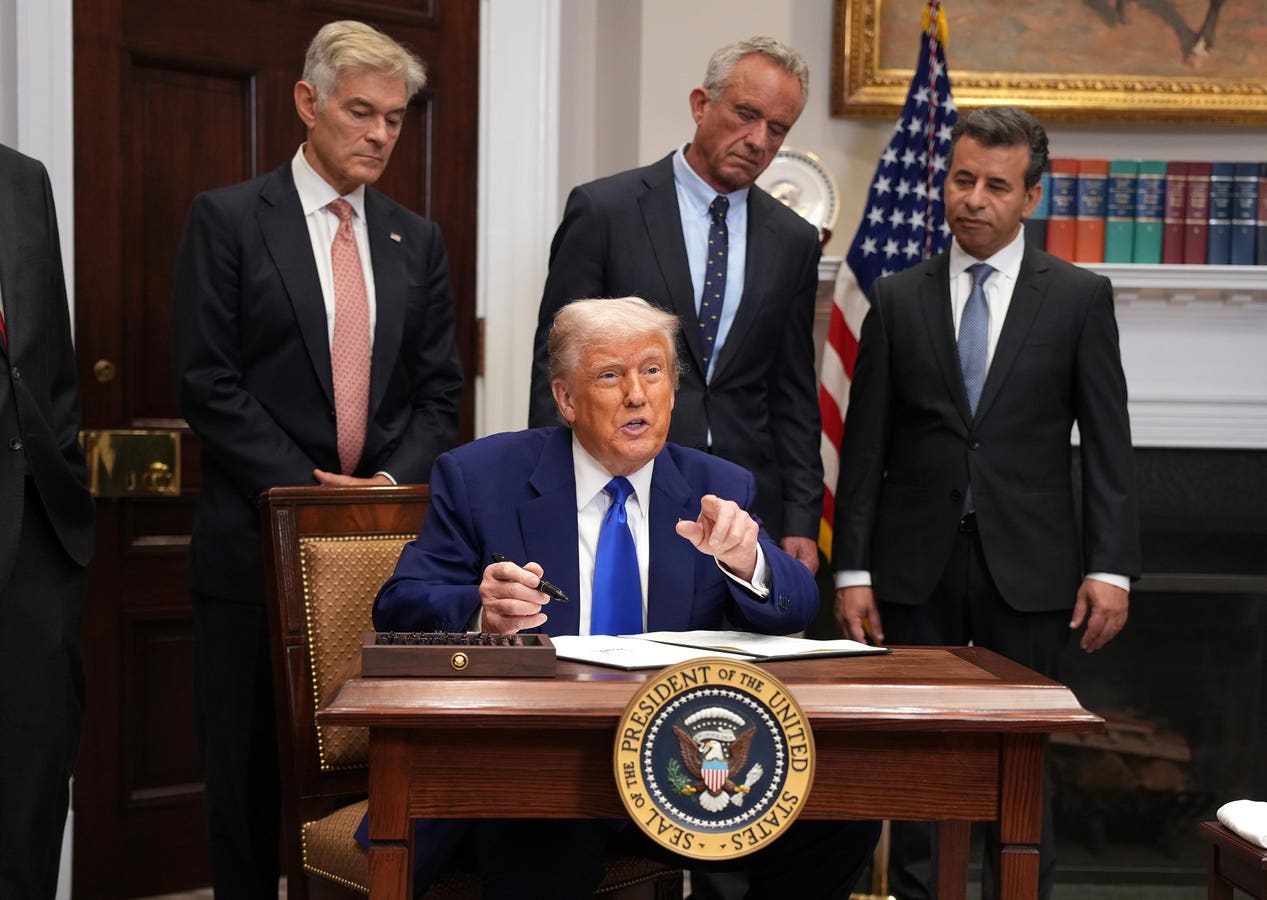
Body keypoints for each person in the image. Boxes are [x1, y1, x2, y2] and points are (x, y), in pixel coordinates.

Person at [374, 296, 879, 898]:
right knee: (542, 837)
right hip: (541, 761)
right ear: (566, 399)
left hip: (674, 762)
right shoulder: (482, 476)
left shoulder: (715, 484)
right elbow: (400, 603)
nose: (637, 395)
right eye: (611, 375)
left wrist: (748, 559)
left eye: (653, 371)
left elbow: (797, 605)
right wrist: (482, 611)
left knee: (842, 819)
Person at [171, 20, 462, 897]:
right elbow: (207, 381)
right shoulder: (228, 219)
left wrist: (381, 488)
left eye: (395, 119)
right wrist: (307, 498)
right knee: (245, 784)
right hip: (249, 552)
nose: (379, 134)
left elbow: (438, 393)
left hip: (380, 557)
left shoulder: (416, 238)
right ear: (308, 102)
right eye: (360, 112)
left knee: (373, 773)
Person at [832, 106, 1141, 900]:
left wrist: (1110, 567)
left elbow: (1107, 441)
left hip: (1031, 569)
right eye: (961, 179)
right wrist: (851, 571)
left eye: (995, 186)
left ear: (1030, 196)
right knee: (917, 761)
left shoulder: (1076, 298)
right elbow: (865, 446)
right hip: (912, 569)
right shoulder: (896, 297)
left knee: (1022, 761)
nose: (972, 199)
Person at [526, 36, 823, 576]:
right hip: (620, 484)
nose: (759, 140)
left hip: (746, 499)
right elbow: (557, 364)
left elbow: (794, 390)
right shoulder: (606, 211)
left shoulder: (794, 239)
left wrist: (803, 514)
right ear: (701, 104)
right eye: (746, 115)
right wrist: (551, 490)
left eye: (777, 129)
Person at [0, 145, 95, 898]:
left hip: (33, 531)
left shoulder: (21, 179)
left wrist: (58, 463)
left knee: (29, 794)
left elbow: (49, 358)